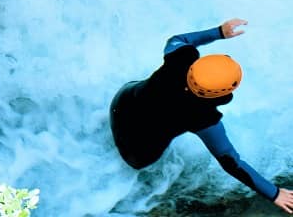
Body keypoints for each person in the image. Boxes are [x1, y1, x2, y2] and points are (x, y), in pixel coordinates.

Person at [110, 18, 293, 212]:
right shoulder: (203, 118)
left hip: (122, 102)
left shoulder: (180, 57)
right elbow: (231, 162)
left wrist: (218, 32)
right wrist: (273, 193)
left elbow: (178, 38)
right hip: (138, 151)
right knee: (140, 158)